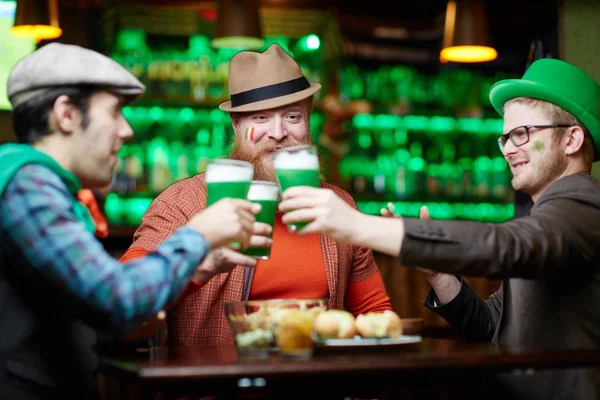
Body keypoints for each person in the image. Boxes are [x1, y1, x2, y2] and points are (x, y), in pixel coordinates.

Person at [278, 58, 600, 400]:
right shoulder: (548, 218)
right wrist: (438, 273)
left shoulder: (584, 205)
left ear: (572, 140)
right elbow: (488, 327)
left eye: (522, 134)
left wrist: (357, 225)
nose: (507, 148)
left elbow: (507, 245)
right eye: (504, 137)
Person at [0, 43, 271, 400]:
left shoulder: (42, 187)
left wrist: (198, 266)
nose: (126, 130)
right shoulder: (27, 186)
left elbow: (89, 320)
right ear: (66, 114)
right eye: (114, 112)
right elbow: (116, 297)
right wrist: (198, 234)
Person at [119, 43, 392, 346]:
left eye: (292, 117)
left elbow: (375, 315)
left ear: (308, 121)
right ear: (236, 126)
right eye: (260, 118)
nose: (277, 133)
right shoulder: (182, 205)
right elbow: (121, 303)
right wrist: (197, 265)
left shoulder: (337, 207)